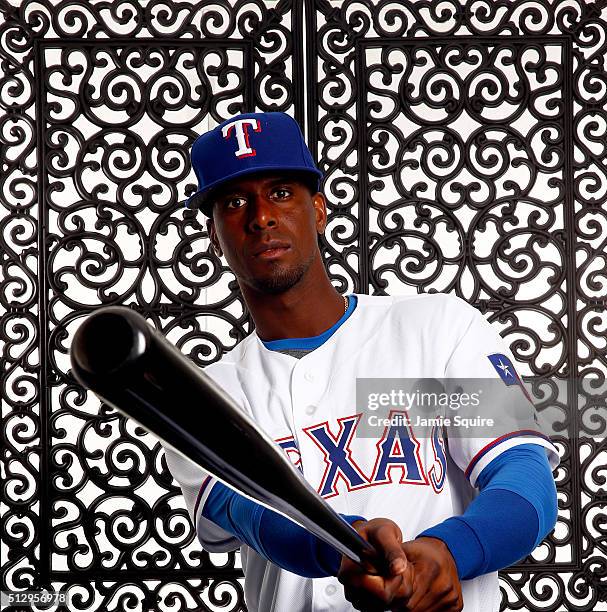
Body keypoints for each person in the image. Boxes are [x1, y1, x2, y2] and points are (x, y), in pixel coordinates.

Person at [162, 112, 559, 611]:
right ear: (216, 237)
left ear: (320, 210)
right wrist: (342, 547)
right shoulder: (204, 396)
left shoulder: (439, 327)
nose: (261, 216)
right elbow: (252, 515)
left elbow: (526, 479)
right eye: (235, 202)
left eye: (281, 192)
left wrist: (450, 551)